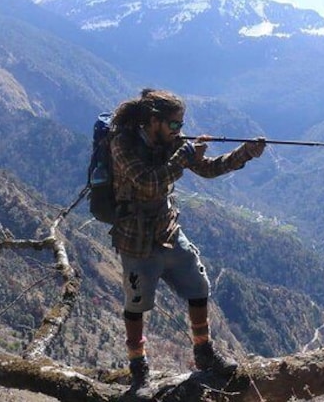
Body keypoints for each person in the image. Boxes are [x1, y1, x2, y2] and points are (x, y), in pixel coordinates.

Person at [109, 88, 266, 393]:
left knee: (198, 286)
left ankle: (204, 353)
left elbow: (209, 170)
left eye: (181, 125)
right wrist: (183, 156)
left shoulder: (171, 143)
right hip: (136, 239)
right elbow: (148, 183)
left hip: (167, 231)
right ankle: (138, 369)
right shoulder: (122, 143)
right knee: (137, 304)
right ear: (154, 121)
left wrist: (244, 153)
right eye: (174, 125)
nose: (179, 130)